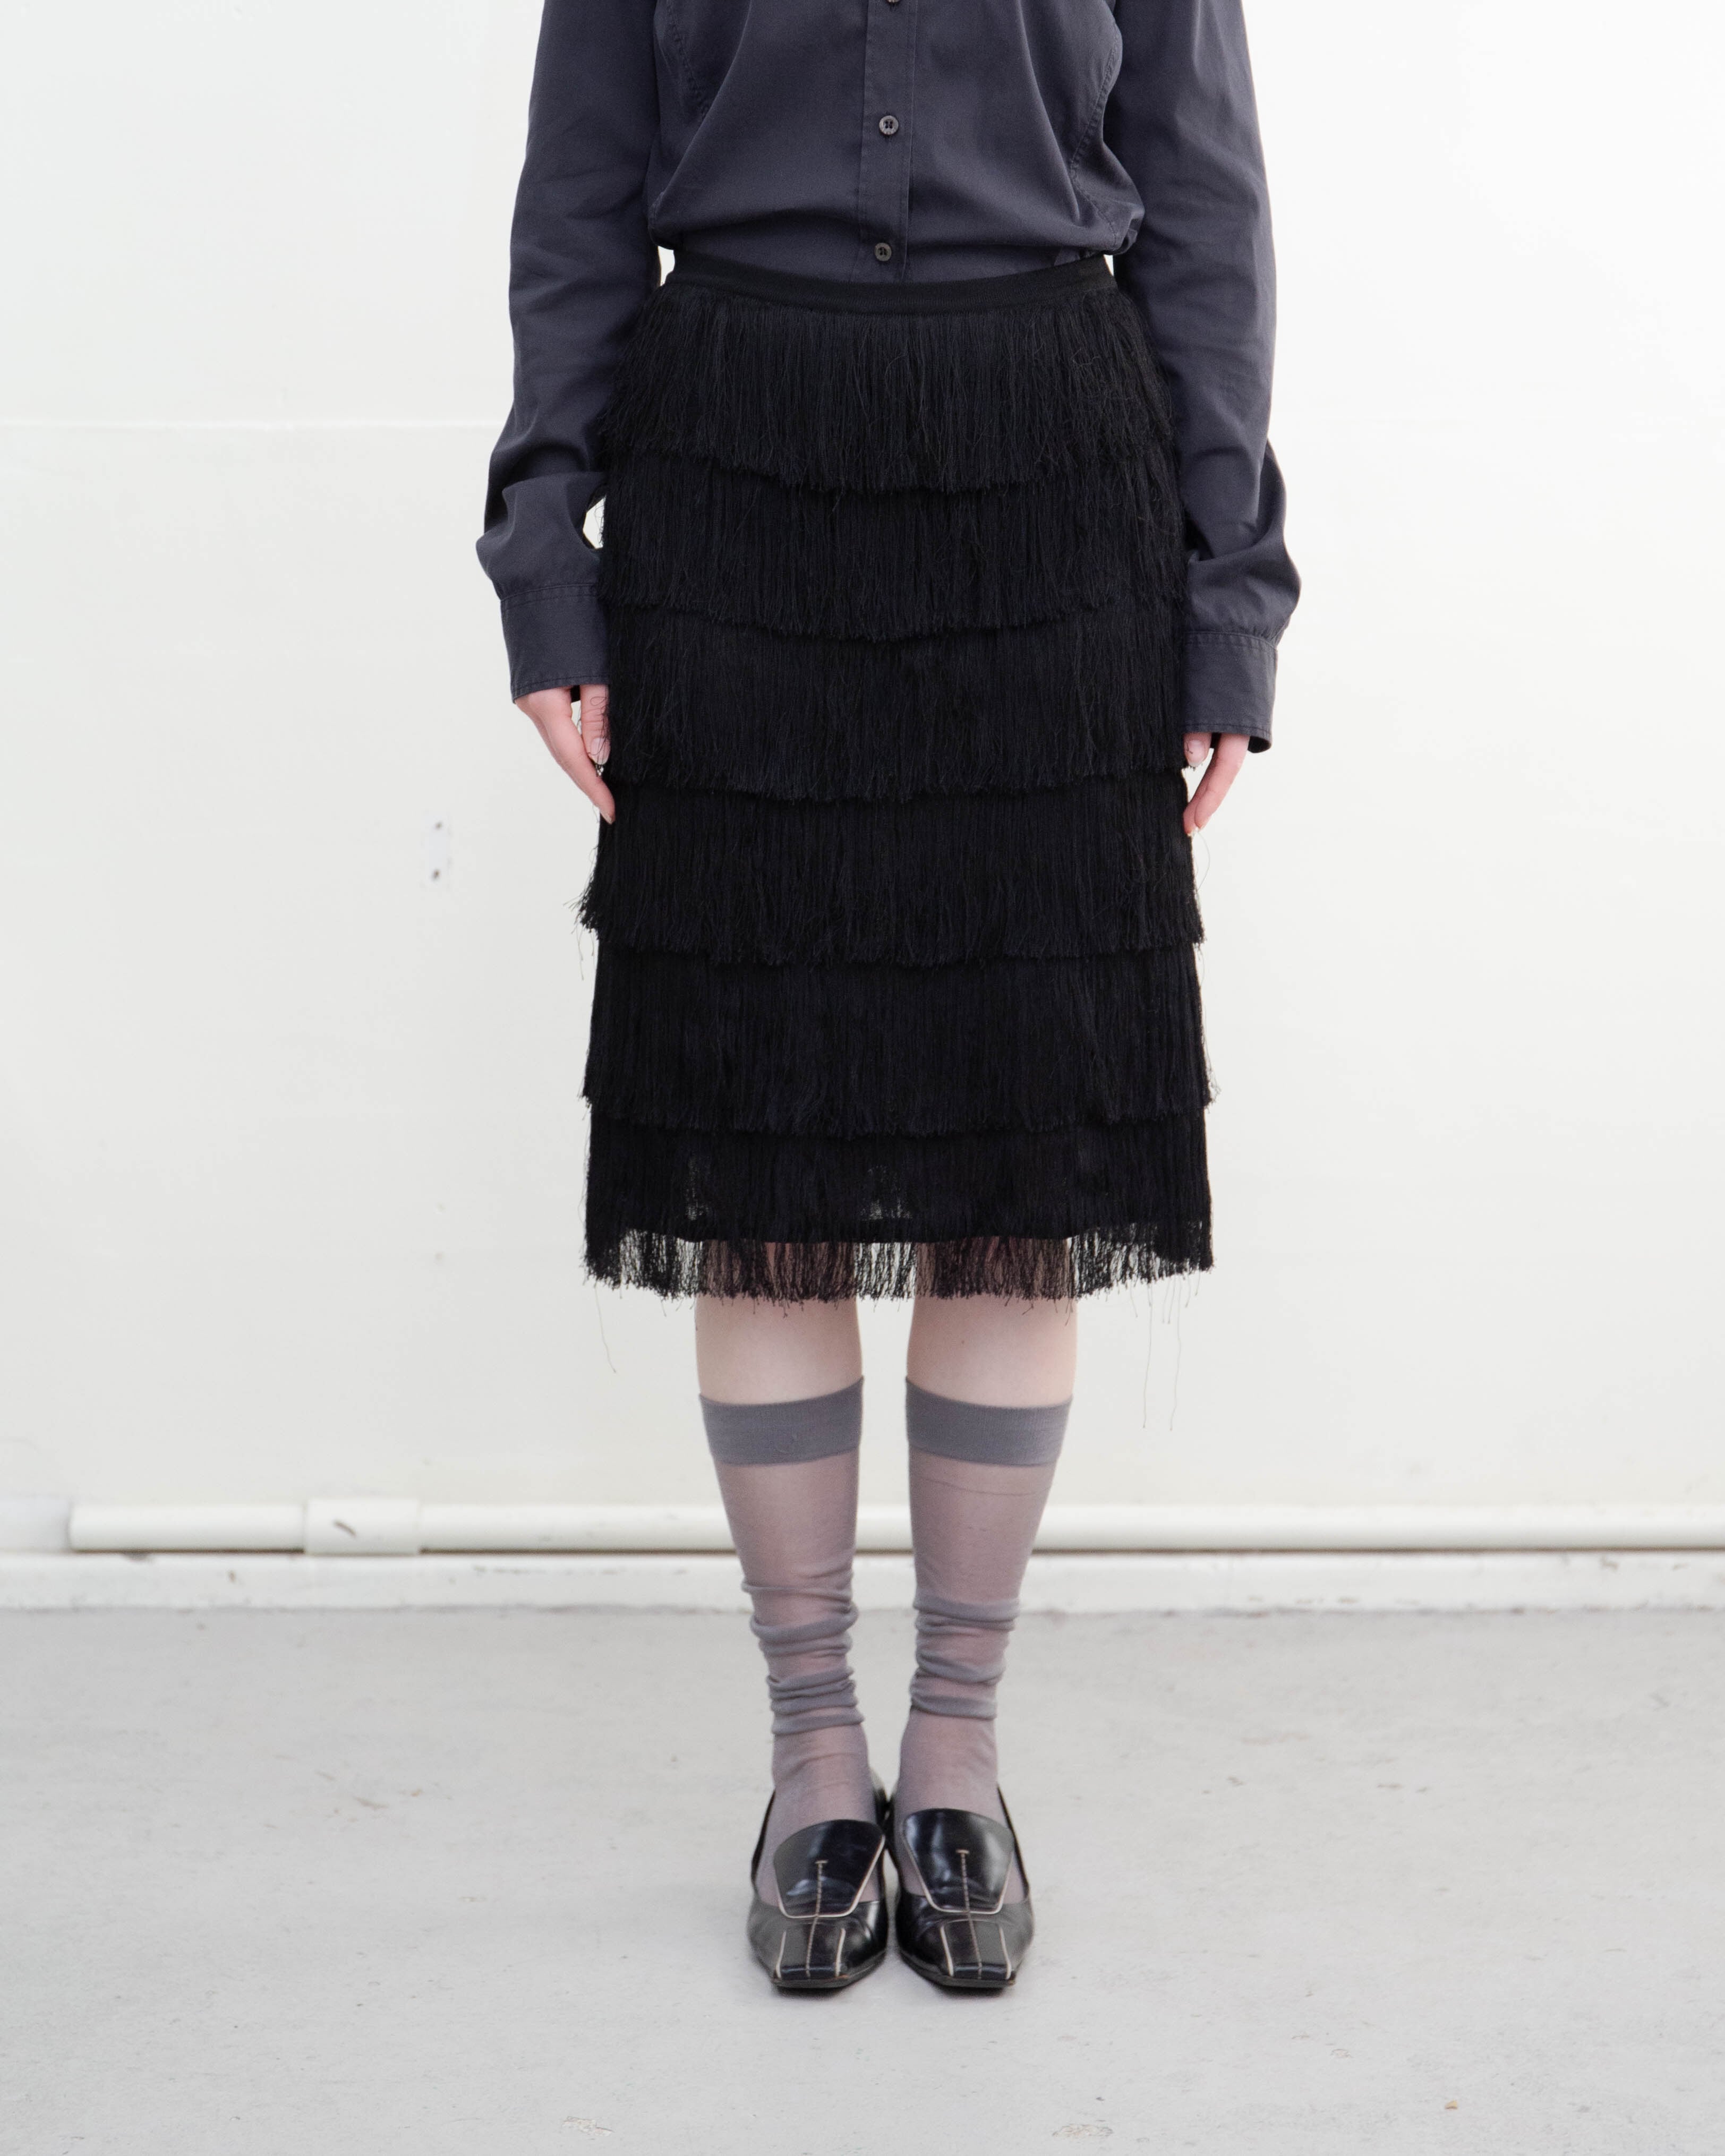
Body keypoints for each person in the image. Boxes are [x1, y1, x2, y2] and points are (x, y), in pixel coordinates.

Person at [479, 0, 1298, 1992]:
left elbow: (1203, 201)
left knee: (1020, 1157)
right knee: (759, 1148)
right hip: (735, 478)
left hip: (1049, 487)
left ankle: (957, 1750)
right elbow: (578, 198)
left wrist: (1229, 602)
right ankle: (810, 1754)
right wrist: (547, 561)